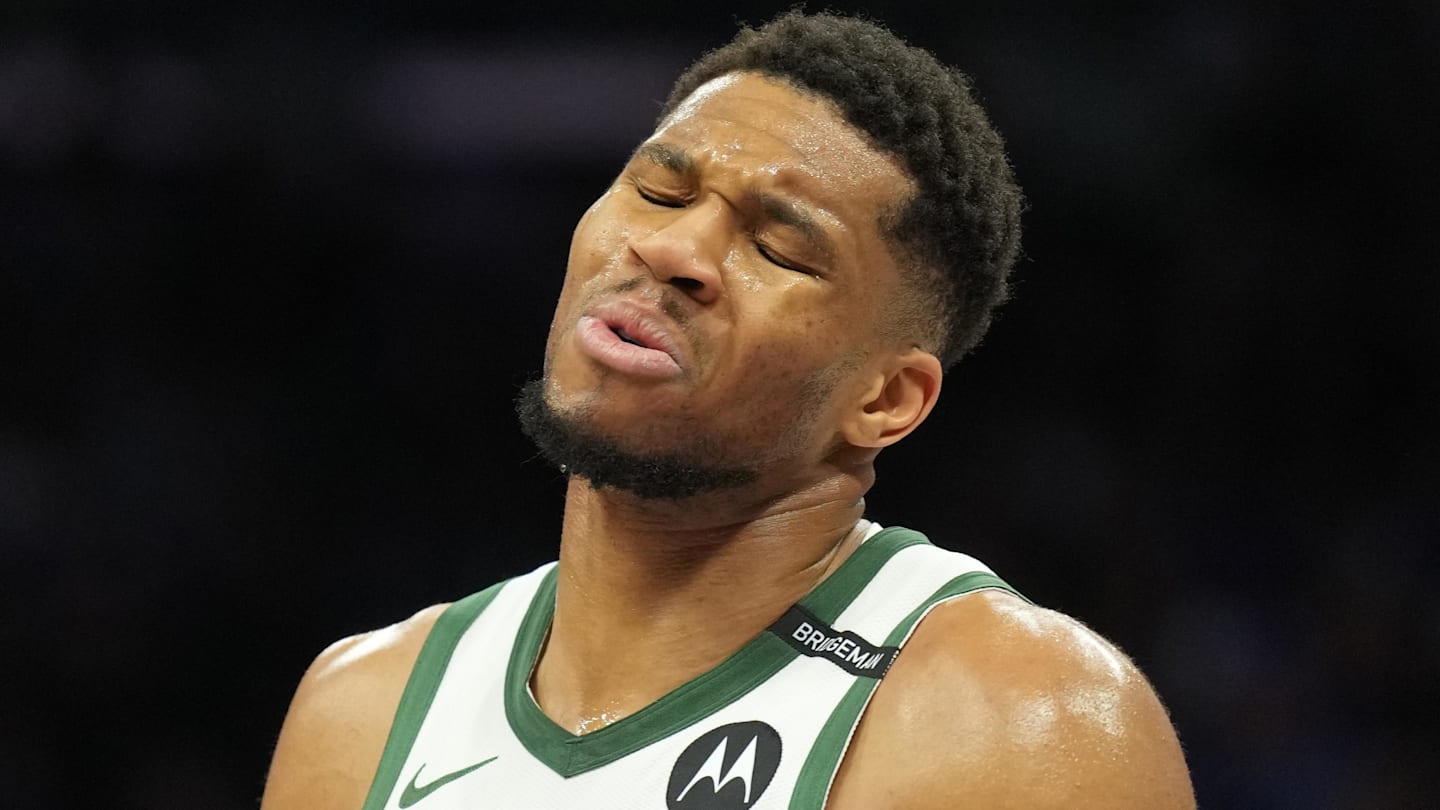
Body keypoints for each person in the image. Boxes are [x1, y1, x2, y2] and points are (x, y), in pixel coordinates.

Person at [261, 11, 1195, 810]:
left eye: (781, 250)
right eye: (659, 191)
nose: (674, 249)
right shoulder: (363, 712)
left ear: (886, 400)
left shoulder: (1020, 725)